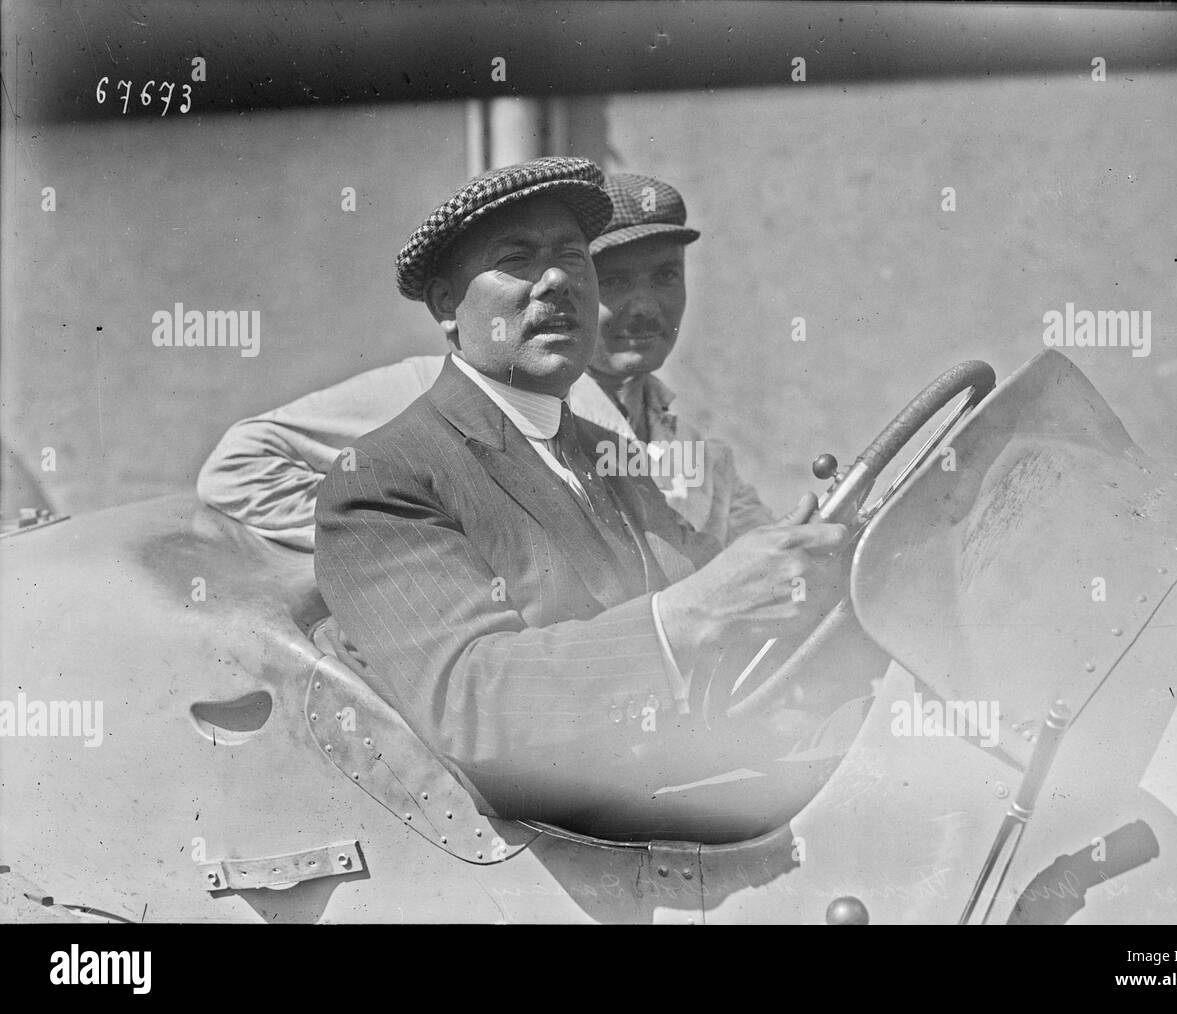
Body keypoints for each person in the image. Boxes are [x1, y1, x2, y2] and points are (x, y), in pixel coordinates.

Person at [313, 157, 862, 840]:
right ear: (448, 307)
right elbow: (473, 703)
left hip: (685, 810)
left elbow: (712, 590)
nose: (557, 280)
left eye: (573, 257)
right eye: (516, 259)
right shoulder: (384, 479)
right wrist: (692, 614)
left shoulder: (605, 451)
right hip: (564, 865)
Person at [195, 173, 772, 550]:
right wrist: (417, 543)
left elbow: (760, 551)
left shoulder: (690, 442)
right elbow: (240, 463)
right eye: (617, 279)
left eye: (666, 276)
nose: (644, 306)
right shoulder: (439, 393)